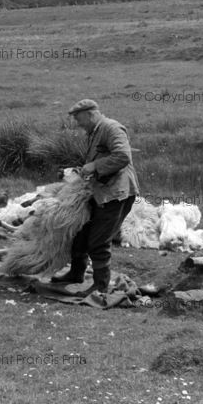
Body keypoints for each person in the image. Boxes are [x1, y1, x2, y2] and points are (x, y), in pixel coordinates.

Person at [50, 99, 140, 296]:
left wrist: (95, 166)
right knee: (80, 231)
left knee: (98, 240)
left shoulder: (112, 128)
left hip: (116, 195)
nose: (78, 123)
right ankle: (76, 273)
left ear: (90, 114)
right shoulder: (94, 133)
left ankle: (100, 285)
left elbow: (123, 156)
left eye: (79, 118)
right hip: (100, 192)